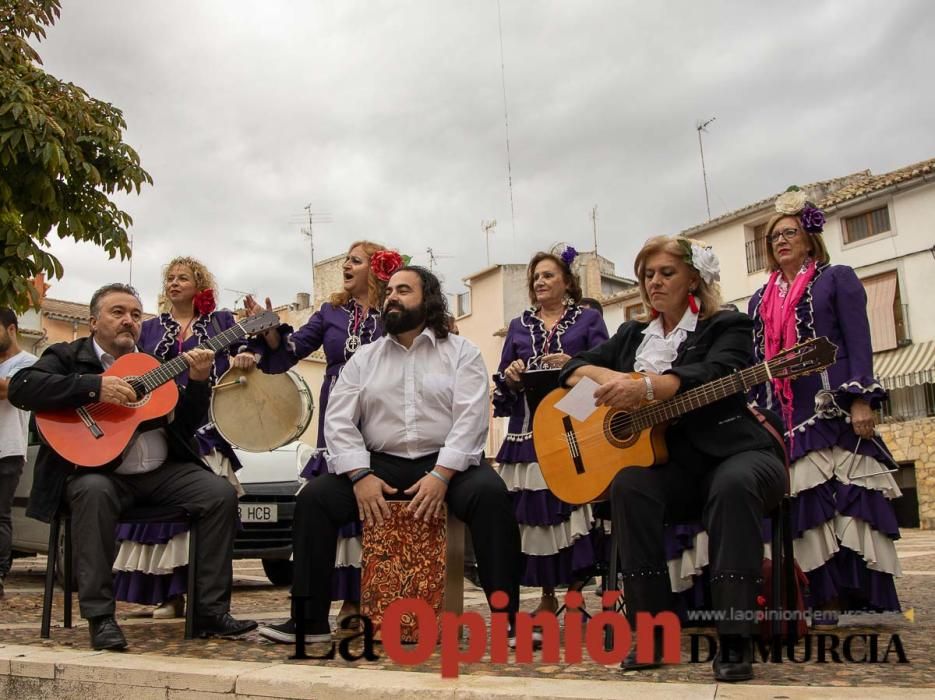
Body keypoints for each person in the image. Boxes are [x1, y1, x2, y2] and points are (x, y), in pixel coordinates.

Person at [560, 236, 786, 682]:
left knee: (732, 485)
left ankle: (736, 637)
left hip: (739, 453)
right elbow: (571, 372)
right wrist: (609, 377)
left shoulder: (727, 326)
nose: (654, 282)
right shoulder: (630, 337)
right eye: (648, 275)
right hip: (675, 470)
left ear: (694, 279)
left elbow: (718, 372)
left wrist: (647, 388)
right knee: (629, 485)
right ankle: (652, 632)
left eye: (666, 272)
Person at [257, 266, 521, 644]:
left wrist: (442, 475)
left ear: (427, 301)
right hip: (379, 464)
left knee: (492, 495)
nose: (392, 297)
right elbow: (339, 420)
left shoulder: (462, 353)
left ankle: (508, 619)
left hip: (446, 463)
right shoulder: (365, 358)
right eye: (390, 291)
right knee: (315, 499)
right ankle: (309, 622)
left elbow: (472, 420)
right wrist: (359, 476)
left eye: (404, 290)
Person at [8, 284, 256, 650]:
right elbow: (23, 387)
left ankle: (209, 612)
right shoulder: (66, 356)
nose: (129, 321)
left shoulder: (152, 366)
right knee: (93, 492)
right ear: (93, 322)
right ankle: (101, 617)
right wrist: (95, 388)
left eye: (136, 315)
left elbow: (185, 424)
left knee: (218, 493)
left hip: (161, 474)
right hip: (95, 472)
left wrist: (200, 383)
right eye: (118, 312)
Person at [748, 188, 902, 621]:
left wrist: (860, 400)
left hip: (832, 409)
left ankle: (854, 595)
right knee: (803, 512)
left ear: (810, 237)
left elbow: (859, 342)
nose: (781, 241)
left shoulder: (837, 278)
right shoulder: (759, 301)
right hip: (785, 416)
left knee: (843, 505)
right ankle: (817, 597)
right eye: (774, 236)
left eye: (789, 232)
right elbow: (757, 360)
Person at [245, 241, 389, 627]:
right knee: (334, 513)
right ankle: (337, 604)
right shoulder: (330, 312)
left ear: (375, 270)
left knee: (371, 513)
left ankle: (368, 599)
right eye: (346, 259)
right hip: (338, 418)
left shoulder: (392, 314)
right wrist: (271, 330)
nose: (346, 265)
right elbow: (290, 350)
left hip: (380, 420)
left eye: (355, 261)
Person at [114, 256, 256, 619]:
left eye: (183, 278)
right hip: (157, 425)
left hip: (205, 424)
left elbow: (246, 350)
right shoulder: (149, 328)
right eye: (170, 278)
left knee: (209, 508)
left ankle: (205, 598)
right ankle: (170, 594)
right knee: (166, 517)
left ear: (199, 285)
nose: (174, 283)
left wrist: (243, 357)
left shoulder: (220, 321)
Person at [493, 246, 608, 616]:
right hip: (527, 431)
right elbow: (503, 376)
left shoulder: (588, 320)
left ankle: (575, 596)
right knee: (536, 515)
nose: (540, 282)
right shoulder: (517, 326)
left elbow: (606, 366)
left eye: (548, 275)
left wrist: (574, 364)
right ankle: (546, 596)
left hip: (574, 426)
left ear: (567, 282)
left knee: (573, 508)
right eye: (536, 277)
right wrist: (511, 375)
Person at [0, 309, 37, 597]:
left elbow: (9, 390)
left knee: (0, 515)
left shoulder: (28, 365)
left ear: (11, 329)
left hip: (7, 448)